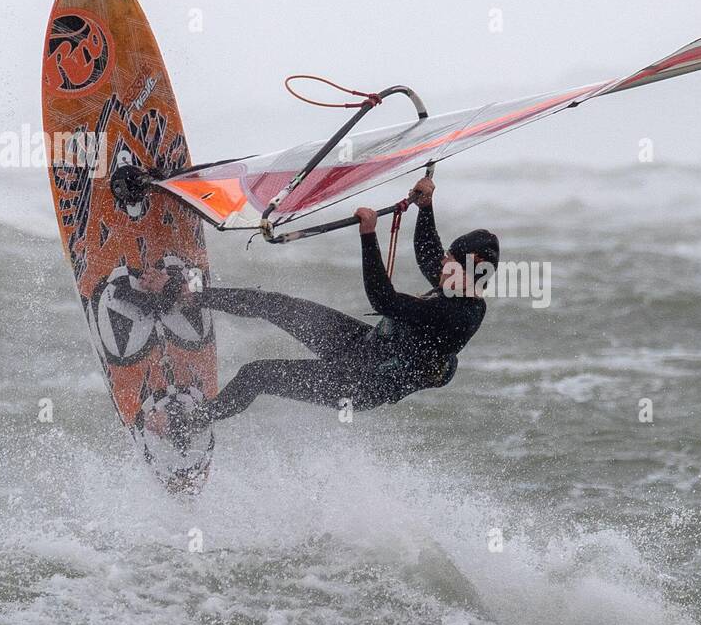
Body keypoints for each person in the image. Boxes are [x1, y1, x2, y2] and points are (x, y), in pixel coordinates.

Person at [142, 177, 497, 437]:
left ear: (474, 265)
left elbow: (384, 300)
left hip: (361, 382)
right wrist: (426, 207)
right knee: (276, 305)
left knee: (257, 374)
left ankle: (184, 425)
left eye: (450, 263)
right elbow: (429, 253)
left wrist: (368, 235)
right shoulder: (460, 281)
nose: (441, 268)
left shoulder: (456, 315)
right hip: (363, 347)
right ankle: (184, 295)